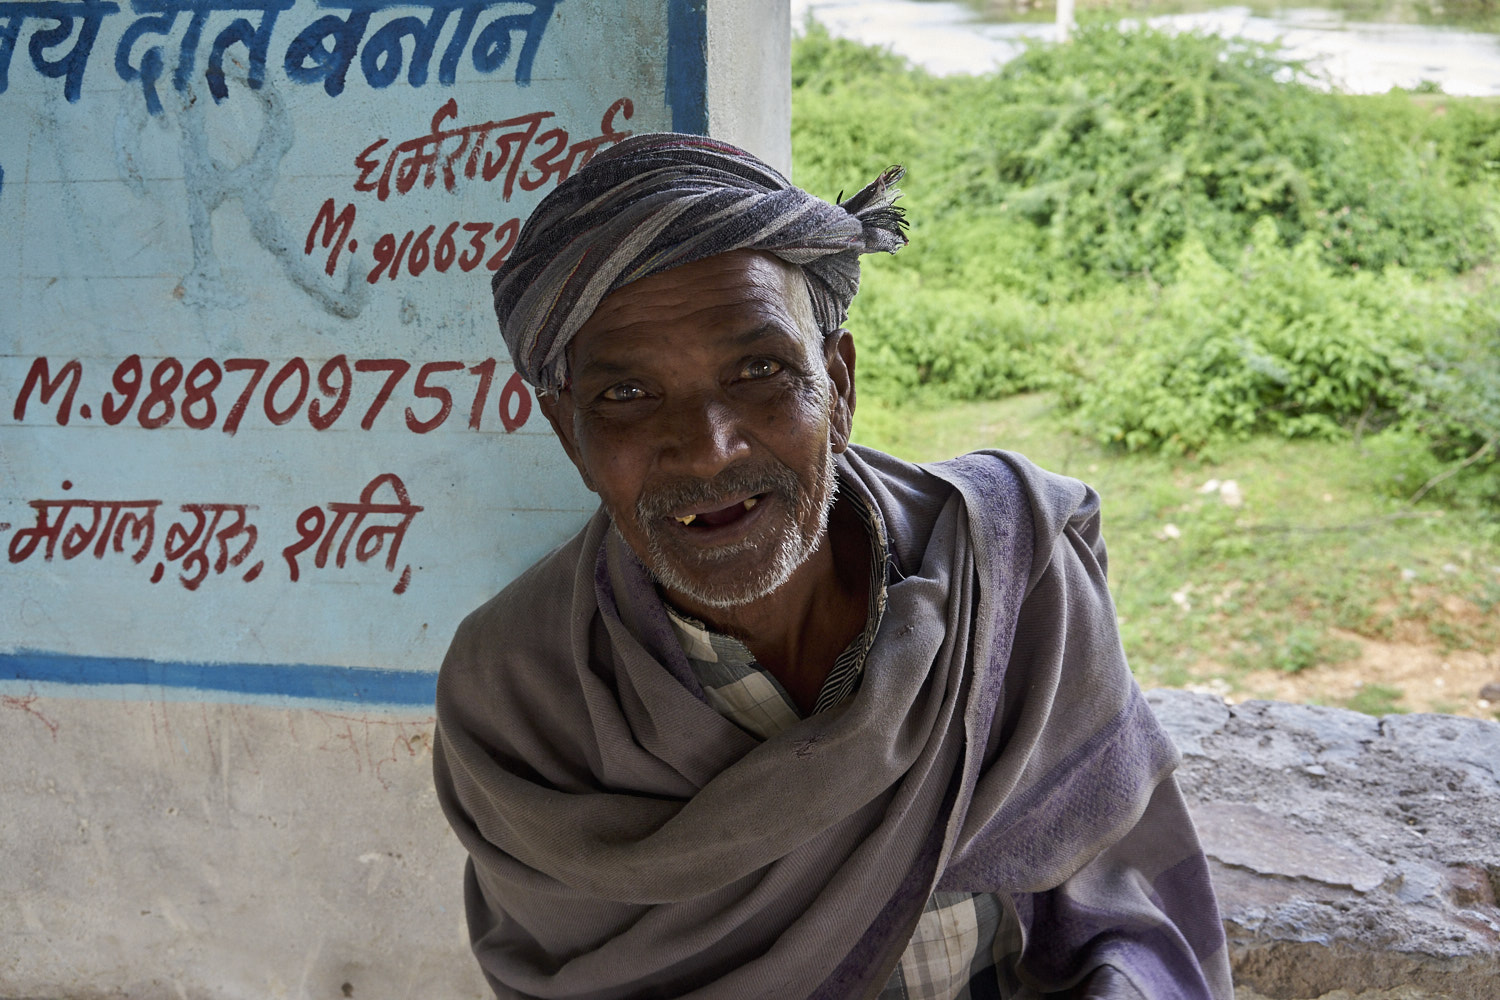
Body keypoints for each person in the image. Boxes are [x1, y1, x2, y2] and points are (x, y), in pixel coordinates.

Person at [432, 133, 1233, 1000]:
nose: (709, 449)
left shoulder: (1007, 575)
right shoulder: (517, 698)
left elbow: (1125, 913)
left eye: (761, 371)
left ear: (839, 386)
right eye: (627, 394)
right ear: (568, 434)